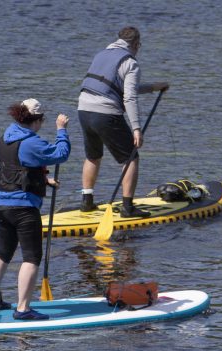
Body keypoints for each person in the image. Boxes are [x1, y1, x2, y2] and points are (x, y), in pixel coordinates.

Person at [0, 98, 70, 321]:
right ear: (37, 120)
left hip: (2, 205)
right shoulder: (31, 142)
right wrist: (61, 130)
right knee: (32, 257)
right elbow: (60, 154)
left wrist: (44, 180)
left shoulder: (4, 139)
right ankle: (23, 309)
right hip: (23, 208)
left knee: (3, 252)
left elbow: (17, 169)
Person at [76, 26, 169, 218]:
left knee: (93, 155)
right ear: (136, 44)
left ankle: (87, 202)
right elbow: (129, 98)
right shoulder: (130, 63)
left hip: (83, 109)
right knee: (131, 158)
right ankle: (128, 208)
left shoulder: (101, 54)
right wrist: (136, 128)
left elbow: (117, 87)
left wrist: (154, 87)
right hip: (106, 113)